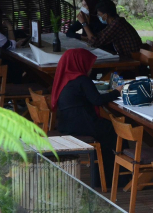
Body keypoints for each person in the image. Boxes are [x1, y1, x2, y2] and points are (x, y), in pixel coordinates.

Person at [51, 49, 120, 187]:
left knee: (107, 128)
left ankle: (103, 174)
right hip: (82, 124)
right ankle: (114, 176)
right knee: (116, 131)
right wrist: (117, 92)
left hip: (66, 124)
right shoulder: (82, 80)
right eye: (89, 65)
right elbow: (97, 100)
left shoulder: (64, 79)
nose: (91, 68)